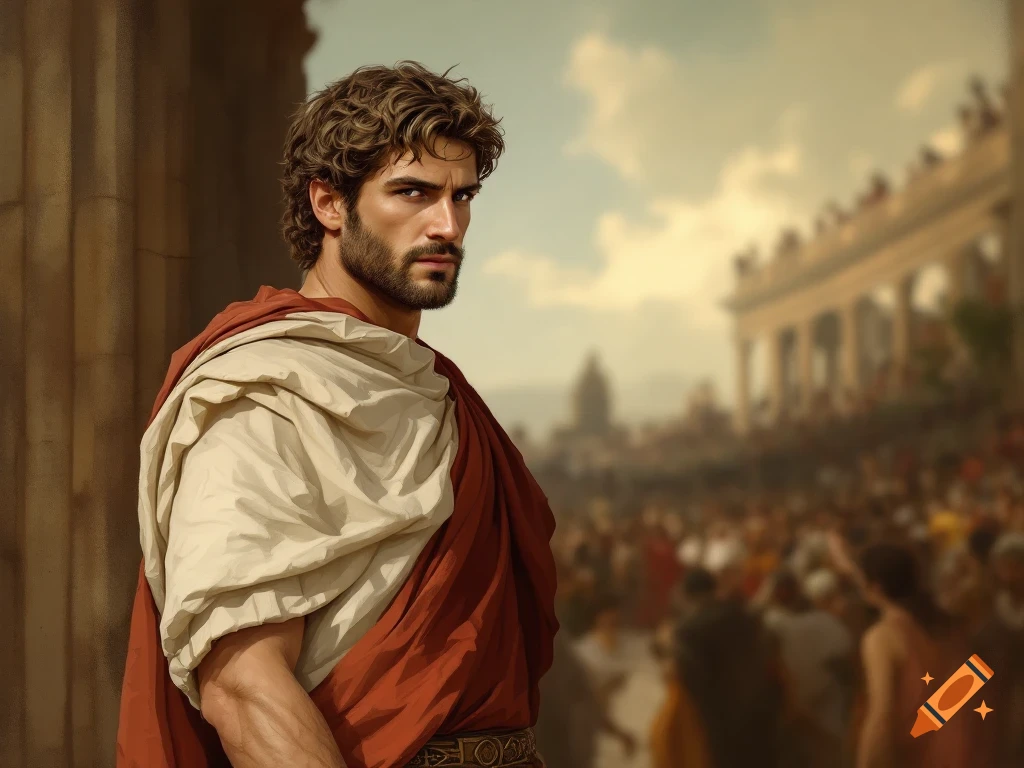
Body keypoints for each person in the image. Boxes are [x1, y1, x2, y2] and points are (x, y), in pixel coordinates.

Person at [116, 61, 558, 768]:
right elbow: (243, 687)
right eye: (412, 192)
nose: (447, 225)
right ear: (329, 202)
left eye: (462, 195)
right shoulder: (262, 398)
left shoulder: (437, 391)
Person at [834, 540, 983, 768]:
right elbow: (966, 688)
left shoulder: (883, 637)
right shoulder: (948, 625)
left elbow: (881, 716)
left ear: (874, 587)